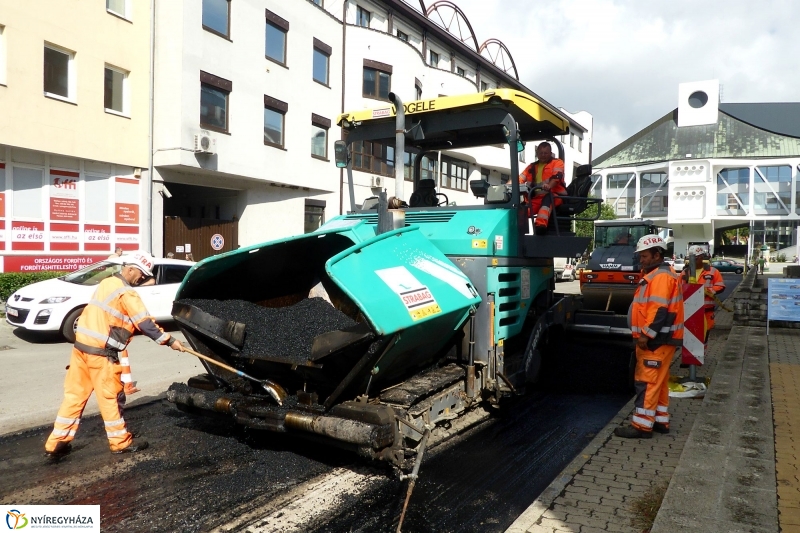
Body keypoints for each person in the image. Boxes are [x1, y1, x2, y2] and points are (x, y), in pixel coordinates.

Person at [44, 251, 185, 457]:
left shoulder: (107, 283)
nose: (142, 279)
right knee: (110, 398)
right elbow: (145, 324)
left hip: (81, 350)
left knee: (74, 396)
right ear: (131, 269)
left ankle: (57, 443)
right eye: (141, 274)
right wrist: (170, 341)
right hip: (100, 355)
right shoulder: (126, 293)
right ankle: (120, 442)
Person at [616, 235, 683, 439]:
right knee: (659, 382)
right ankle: (660, 421)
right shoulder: (660, 274)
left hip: (656, 341)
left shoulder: (660, 277)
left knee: (647, 381)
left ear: (657, 255)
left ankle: (642, 426)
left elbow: (658, 310)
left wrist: (645, 335)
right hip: (663, 339)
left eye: (644, 256)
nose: (641, 260)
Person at [518, 142, 566, 235]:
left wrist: (549, 185)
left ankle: (540, 226)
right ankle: (516, 231)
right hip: (537, 198)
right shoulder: (532, 167)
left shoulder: (557, 163)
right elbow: (520, 178)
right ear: (537, 153)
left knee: (547, 200)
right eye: (541, 153)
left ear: (550, 153)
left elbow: (556, 177)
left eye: (546, 153)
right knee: (522, 210)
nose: (543, 155)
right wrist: (506, 187)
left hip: (555, 196)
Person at [682, 245, 725, 340]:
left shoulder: (712, 271)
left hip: (706, 312)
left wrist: (708, 291)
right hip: (689, 311)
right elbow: (678, 289)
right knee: (690, 339)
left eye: (696, 258)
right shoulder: (685, 272)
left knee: (703, 339)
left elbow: (720, 286)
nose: (693, 261)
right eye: (691, 258)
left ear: (702, 257)